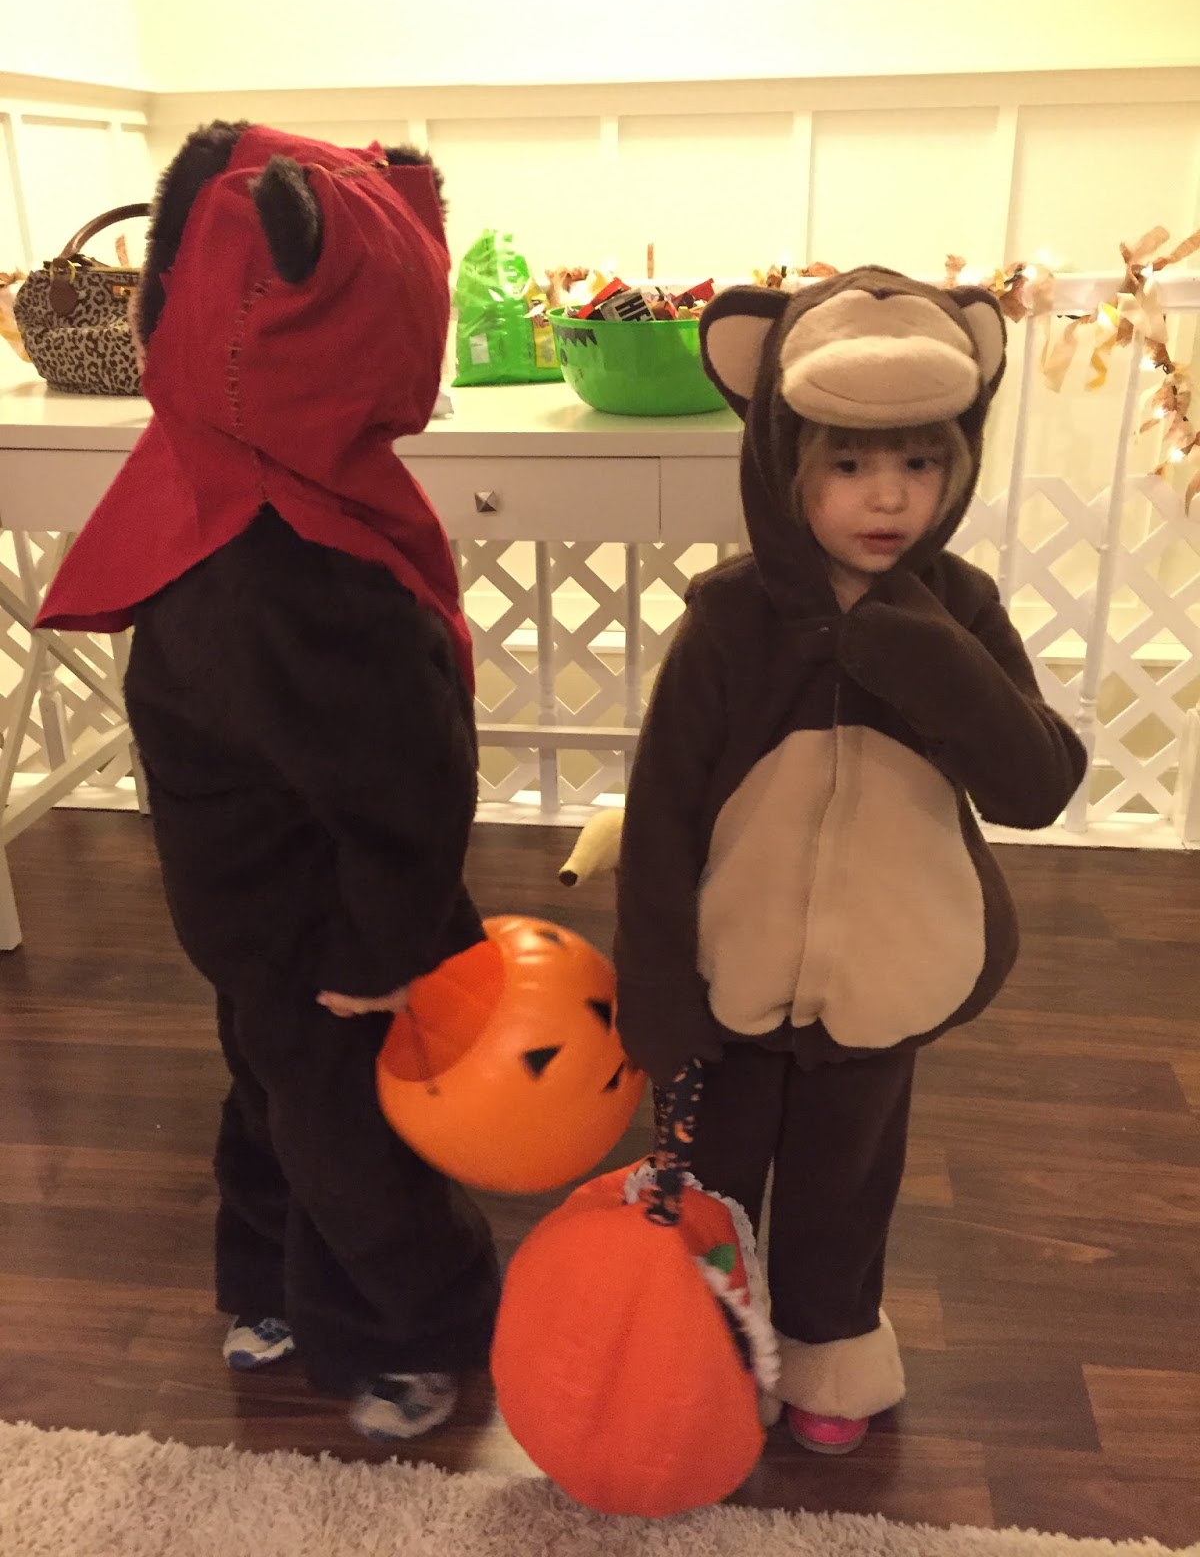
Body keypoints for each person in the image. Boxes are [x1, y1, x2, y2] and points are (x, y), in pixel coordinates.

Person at [37, 121, 499, 1442]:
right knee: (332, 1117)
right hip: (307, 919)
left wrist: (375, 938)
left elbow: (384, 779)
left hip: (270, 906)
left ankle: (292, 1295)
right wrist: (385, 948)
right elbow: (401, 786)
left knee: (291, 1094)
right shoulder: (288, 559)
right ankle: (376, 1319)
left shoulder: (241, 495)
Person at [614, 267, 1086, 1455]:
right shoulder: (728, 623)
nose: (888, 495)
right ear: (786, 462)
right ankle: (711, 1358)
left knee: (845, 1187)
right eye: (849, 463)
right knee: (710, 1197)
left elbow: (1036, 787)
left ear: (957, 465)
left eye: (920, 462)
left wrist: (925, 649)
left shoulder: (960, 610)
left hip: (885, 978)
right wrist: (656, 989)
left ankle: (830, 1344)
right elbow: (661, 813)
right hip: (726, 985)